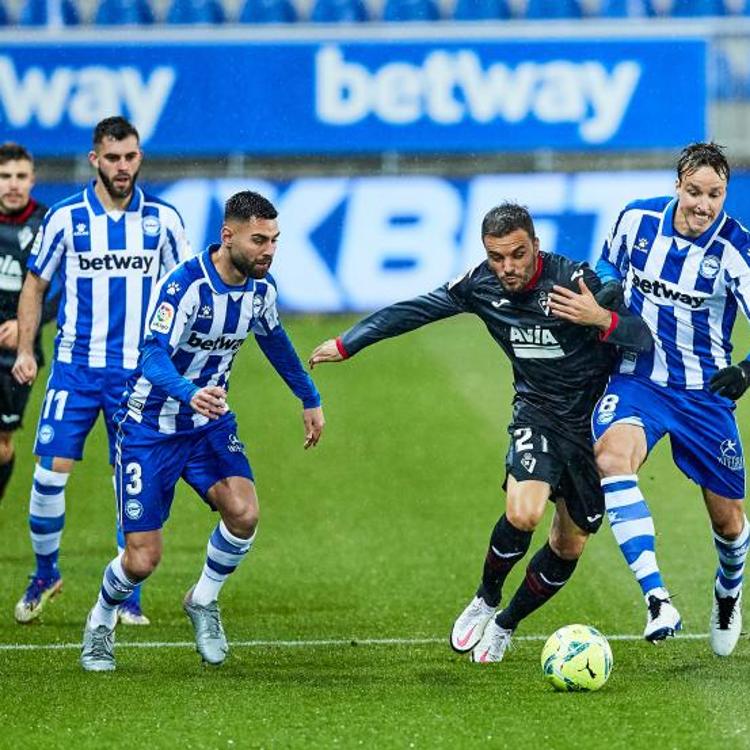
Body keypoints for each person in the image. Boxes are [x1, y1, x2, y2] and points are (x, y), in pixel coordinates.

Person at [309, 202, 651, 663]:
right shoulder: (481, 284)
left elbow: (642, 337)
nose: (507, 268)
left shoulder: (576, 282)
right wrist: (348, 343)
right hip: (538, 412)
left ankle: (507, 623)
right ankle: (486, 599)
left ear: (535, 245)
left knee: (568, 543)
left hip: (592, 424)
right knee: (524, 511)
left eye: (517, 254)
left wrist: (599, 318)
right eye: (496, 256)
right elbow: (416, 310)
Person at [79, 190, 325, 672]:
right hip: (150, 427)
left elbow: (276, 342)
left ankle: (203, 600)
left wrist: (309, 397)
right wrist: (189, 391)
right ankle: (101, 621)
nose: (268, 250)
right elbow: (151, 356)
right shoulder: (187, 285)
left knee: (244, 514)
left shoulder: (261, 290)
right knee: (142, 560)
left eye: (275, 240)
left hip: (208, 425)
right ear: (227, 235)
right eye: (259, 240)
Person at [12, 116, 191, 627]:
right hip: (75, 370)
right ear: (95, 159)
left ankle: (126, 590)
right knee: (48, 477)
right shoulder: (66, 218)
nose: (122, 167)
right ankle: (46, 572)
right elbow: (35, 285)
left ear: (139, 157)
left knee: (130, 484)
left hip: (139, 375)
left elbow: (183, 292)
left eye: (130, 156)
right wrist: (27, 349)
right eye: (112, 158)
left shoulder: (164, 220)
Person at [593, 142, 750, 656]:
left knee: (728, 523)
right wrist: (611, 289)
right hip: (639, 380)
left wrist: (746, 370)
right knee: (612, 459)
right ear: (677, 185)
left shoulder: (736, 249)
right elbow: (605, 264)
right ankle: (658, 598)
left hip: (704, 397)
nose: (703, 205)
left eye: (715, 195)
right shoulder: (637, 220)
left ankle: (728, 592)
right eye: (694, 192)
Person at [0, 143, 57, 503]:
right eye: (5, 176)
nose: (13, 184)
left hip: (15, 355)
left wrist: (27, 327)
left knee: (1, 444)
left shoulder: (47, 224)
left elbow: (65, 292)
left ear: (33, 180)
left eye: (21, 176)